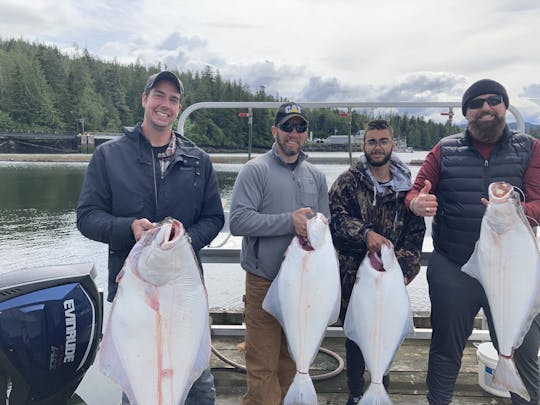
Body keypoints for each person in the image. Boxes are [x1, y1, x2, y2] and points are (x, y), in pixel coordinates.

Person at [76, 70, 224, 405]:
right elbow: (86, 218)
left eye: (174, 99)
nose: (165, 104)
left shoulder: (198, 161)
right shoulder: (109, 156)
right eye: (159, 95)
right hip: (136, 296)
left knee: (199, 390)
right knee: (140, 386)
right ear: (144, 99)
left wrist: (182, 243)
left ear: (178, 107)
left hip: (184, 296)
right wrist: (129, 227)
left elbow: (214, 217)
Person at [406, 79, 540, 405]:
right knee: (445, 349)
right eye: (476, 103)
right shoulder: (444, 149)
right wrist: (416, 204)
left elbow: (538, 202)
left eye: (494, 100)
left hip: (512, 273)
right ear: (466, 113)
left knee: (522, 352)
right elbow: (416, 190)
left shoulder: (531, 148)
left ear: (505, 107)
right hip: (454, 266)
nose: (486, 107)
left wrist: (512, 210)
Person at [229, 102, 330, 404]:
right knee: (262, 367)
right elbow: (238, 221)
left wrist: (318, 226)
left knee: (292, 363)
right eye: (287, 127)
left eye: (300, 128)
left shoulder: (317, 176)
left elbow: (325, 225)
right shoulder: (255, 170)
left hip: (304, 286)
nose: (294, 133)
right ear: (275, 131)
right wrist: (289, 221)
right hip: (264, 282)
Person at [328, 119, 425, 404]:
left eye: (383, 141)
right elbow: (336, 223)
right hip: (353, 277)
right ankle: (356, 392)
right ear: (363, 146)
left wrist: (404, 271)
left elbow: (415, 235)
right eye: (372, 141)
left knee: (387, 333)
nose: (378, 146)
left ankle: (381, 387)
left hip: (391, 279)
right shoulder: (346, 181)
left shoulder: (408, 187)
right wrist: (366, 235)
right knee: (356, 336)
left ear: (392, 145)